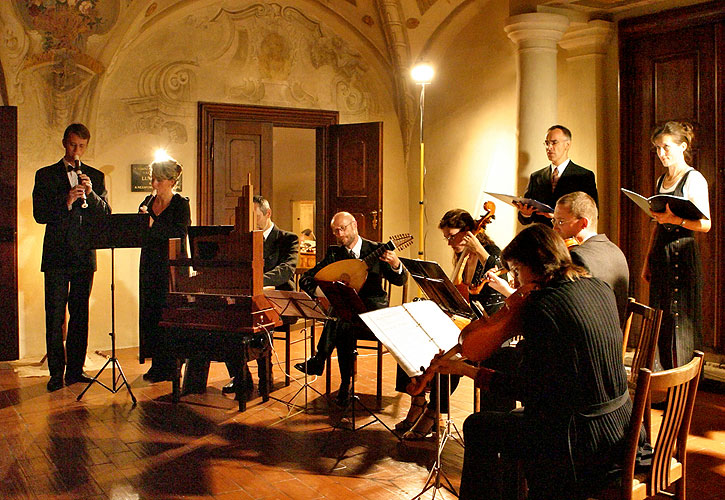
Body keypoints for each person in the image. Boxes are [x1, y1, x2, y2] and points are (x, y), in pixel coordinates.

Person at [431, 224, 638, 500]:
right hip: (622, 428)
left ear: (537, 262)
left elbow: (528, 390)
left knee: (479, 426)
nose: (514, 283)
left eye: (516, 270)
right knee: (516, 421)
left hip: (581, 441)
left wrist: (466, 370)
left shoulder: (542, 307)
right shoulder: (598, 285)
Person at [395, 209, 509, 440]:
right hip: (464, 319)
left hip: (486, 324)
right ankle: (417, 401)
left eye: (452, 236)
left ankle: (434, 411)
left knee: (448, 353)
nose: (449, 242)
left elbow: (503, 282)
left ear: (468, 233)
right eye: (446, 237)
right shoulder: (461, 255)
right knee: (408, 337)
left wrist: (480, 251)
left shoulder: (491, 253)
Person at [294, 212, 407, 405]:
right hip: (347, 315)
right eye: (335, 231)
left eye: (343, 228)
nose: (340, 234)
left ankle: (320, 361)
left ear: (354, 225)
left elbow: (400, 280)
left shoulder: (377, 250)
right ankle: (345, 383)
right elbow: (306, 279)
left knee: (339, 320)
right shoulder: (334, 254)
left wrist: (396, 264)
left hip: (372, 313)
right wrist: (325, 292)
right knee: (343, 321)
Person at [33, 123, 111, 392]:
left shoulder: (96, 177)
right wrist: (66, 200)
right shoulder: (45, 175)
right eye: (72, 145)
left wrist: (90, 194)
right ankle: (56, 373)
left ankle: (76, 371)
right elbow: (39, 215)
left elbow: (105, 214)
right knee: (54, 315)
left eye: (81, 147)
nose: (76, 151)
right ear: (64, 143)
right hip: (56, 254)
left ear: (86, 146)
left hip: (83, 255)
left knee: (80, 314)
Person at [643, 121, 710, 370]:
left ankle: (682, 384)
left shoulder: (694, 178)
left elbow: (705, 224)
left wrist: (677, 219)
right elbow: (656, 224)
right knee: (662, 315)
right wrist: (647, 260)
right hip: (662, 251)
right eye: (658, 148)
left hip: (682, 252)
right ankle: (663, 380)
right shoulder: (662, 179)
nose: (661, 153)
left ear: (683, 146)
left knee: (680, 317)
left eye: (666, 147)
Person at [222, 195, 299, 395]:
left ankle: (266, 377)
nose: (249, 222)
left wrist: (257, 281)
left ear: (268, 214)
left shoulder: (287, 239)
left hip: (278, 302)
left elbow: (286, 270)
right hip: (250, 300)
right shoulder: (243, 239)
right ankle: (242, 377)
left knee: (261, 319)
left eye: (254, 216)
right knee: (226, 321)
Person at [138, 158, 191, 383]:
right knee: (150, 313)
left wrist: (152, 224)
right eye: (153, 179)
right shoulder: (148, 201)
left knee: (169, 313)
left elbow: (180, 231)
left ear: (171, 181)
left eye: (159, 180)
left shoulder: (180, 203)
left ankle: (172, 365)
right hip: (150, 263)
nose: (155, 184)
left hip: (170, 265)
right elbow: (140, 233)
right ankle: (157, 364)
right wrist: (140, 222)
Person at [553, 191, 630, 322]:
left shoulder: (578, 256)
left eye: (561, 222)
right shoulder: (616, 250)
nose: (554, 228)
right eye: (553, 220)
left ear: (583, 223)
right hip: (615, 334)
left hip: (594, 336)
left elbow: (567, 306)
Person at [516, 125, 598, 226]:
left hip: (569, 238)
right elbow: (525, 220)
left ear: (567, 145)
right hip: (543, 237)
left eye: (554, 143)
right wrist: (525, 213)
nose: (549, 147)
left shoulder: (583, 176)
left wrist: (557, 216)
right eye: (546, 143)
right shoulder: (536, 177)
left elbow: (592, 214)